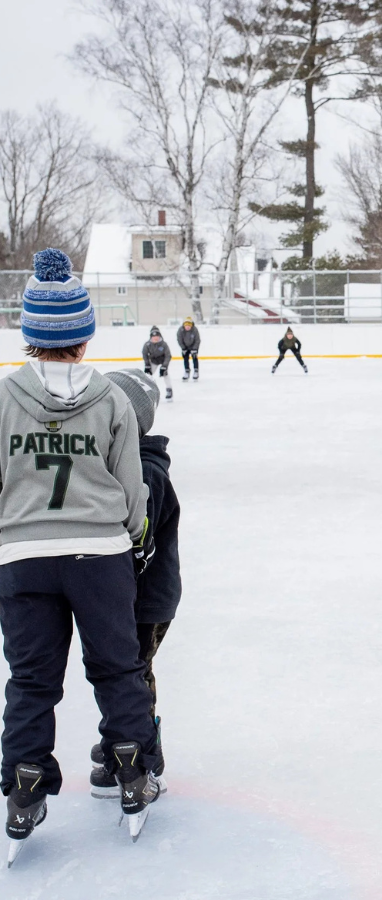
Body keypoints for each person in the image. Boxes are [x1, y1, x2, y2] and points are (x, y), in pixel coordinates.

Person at [0, 249, 162, 860]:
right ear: (84, 336)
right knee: (117, 670)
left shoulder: (4, 396)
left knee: (32, 681)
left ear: (30, 334)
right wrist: (126, 534)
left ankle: (24, 785)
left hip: (22, 556)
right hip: (100, 554)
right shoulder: (111, 399)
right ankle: (130, 770)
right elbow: (132, 489)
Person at [89, 369, 181, 801]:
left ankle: (147, 755)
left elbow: (135, 537)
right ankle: (118, 742)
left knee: (134, 676)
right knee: (118, 673)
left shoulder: (146, 471)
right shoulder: (117, 461)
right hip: (126, 595)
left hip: (146, 601)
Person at [142, 326, 173, 401]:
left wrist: (164, 366)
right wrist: (147, 365)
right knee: (147, 375)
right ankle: (146, 389)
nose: (155, 338)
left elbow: (168, 355)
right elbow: (145, 354)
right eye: (153, 337)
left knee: (166, 374)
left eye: (157, 336)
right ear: (151, 337)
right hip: (153, 361)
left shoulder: (164, 344)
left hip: (163, 361)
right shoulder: (147, 345)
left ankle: (169, 389)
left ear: (160, 336)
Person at [176, 316, 201, 381]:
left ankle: (196, 371)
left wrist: (195, 349)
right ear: (184, 325)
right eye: (186, 325)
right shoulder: (180, 330)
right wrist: (183, 348)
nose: (187, 327)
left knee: (195, 358)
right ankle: (187, 371)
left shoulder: (195, 330)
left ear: (191, 325)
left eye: (189, 325)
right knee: (185, 358)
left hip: (193, 346)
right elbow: (179, 340)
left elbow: (197, 340)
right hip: (185, 346)